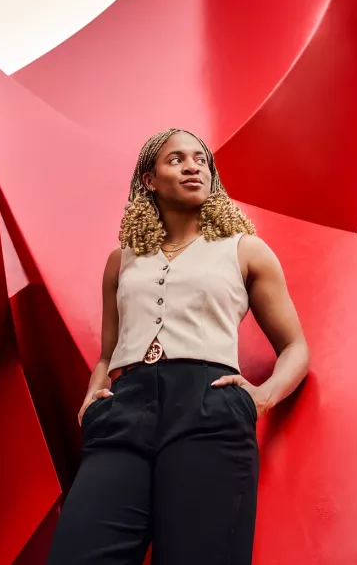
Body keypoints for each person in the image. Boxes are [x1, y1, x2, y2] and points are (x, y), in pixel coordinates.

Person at [46, 128, 310, 565]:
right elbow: (108, 354)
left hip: (208, 408)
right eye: (177, 159)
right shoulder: (122, 260)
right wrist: (93, 399)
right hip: (122, 411)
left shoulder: (246, 251)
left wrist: (261, 399)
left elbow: (295, 347)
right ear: (149, 180)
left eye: (201, 160)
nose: (193, 166)